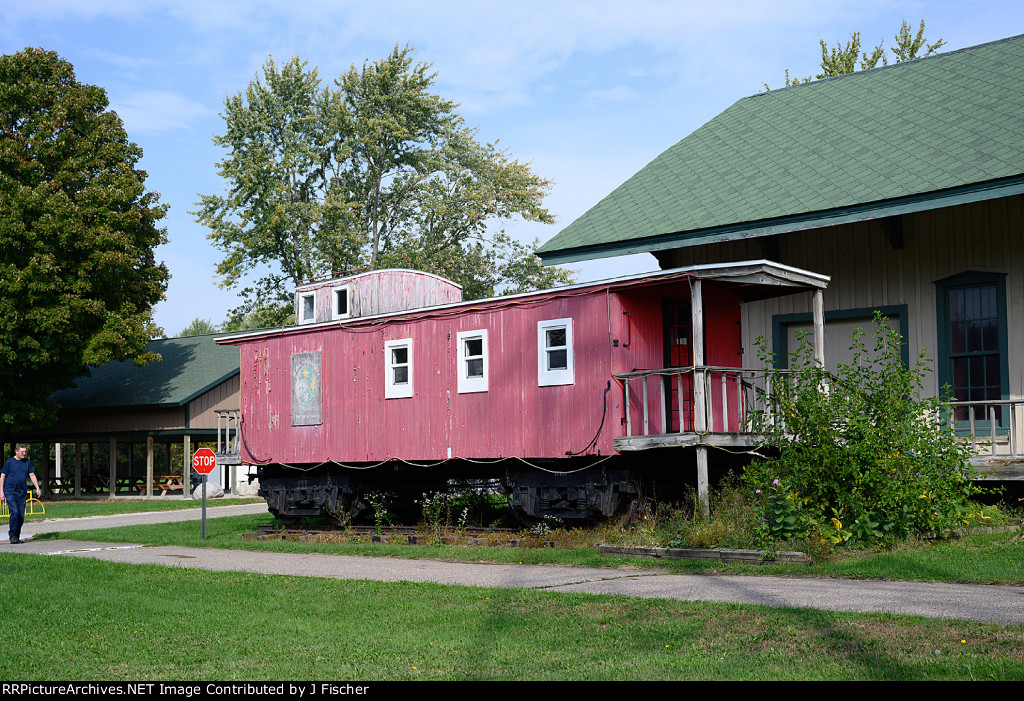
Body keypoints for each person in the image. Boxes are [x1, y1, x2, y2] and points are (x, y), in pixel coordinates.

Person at [1, 444, 43, 544]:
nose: (24, 453)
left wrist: (37, 488)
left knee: (21, 516)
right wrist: (1, 492)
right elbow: (2, 476)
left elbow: (32, 475)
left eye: (25, 452)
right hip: (10, 491)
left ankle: (16, 536)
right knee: (14, 512)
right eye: (22, 452)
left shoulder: (27, 462)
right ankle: (12, 535)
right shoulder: (10, 462)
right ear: (16, 451)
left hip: (22, 492)